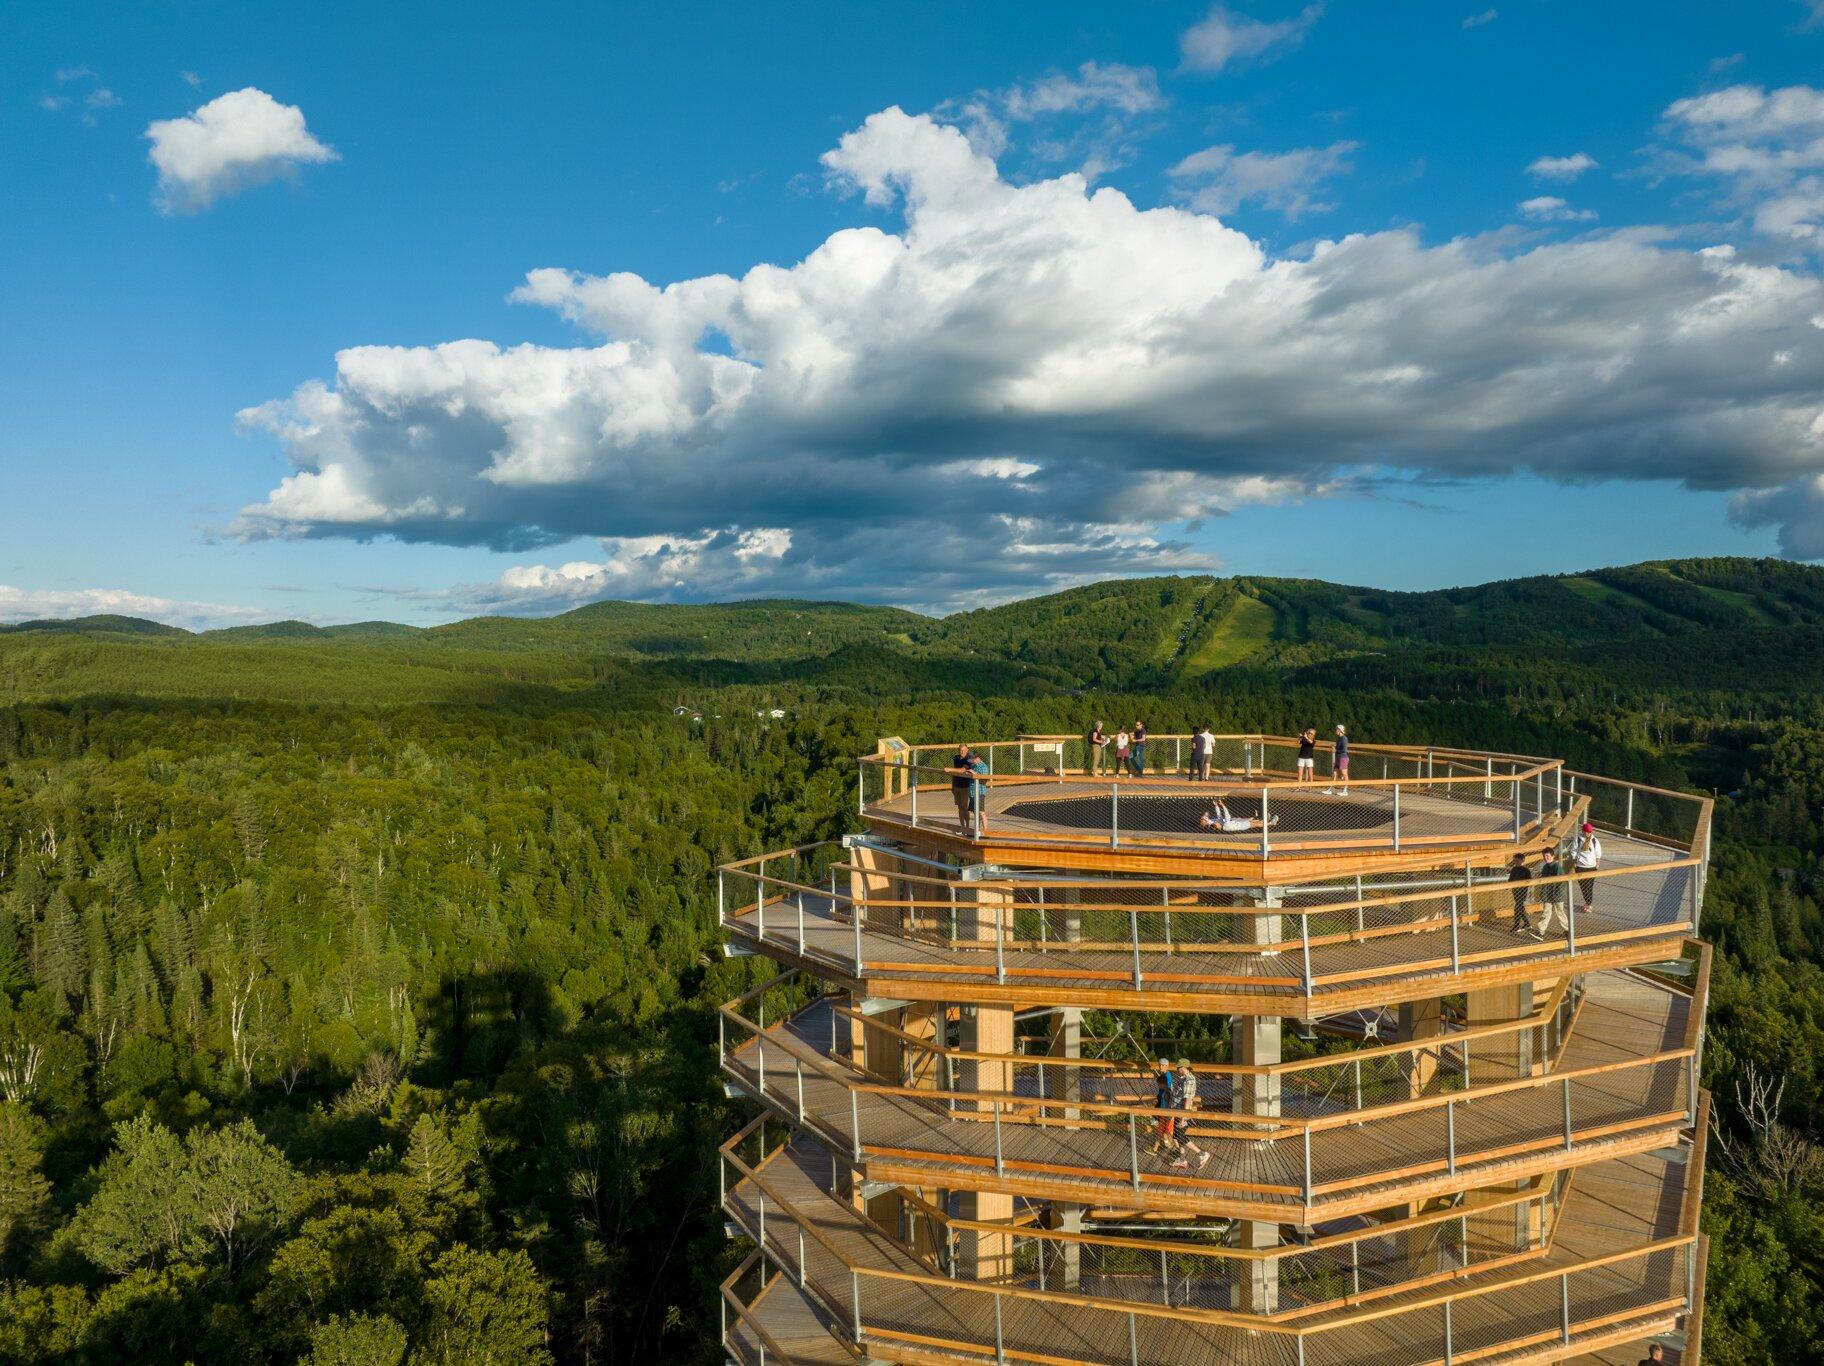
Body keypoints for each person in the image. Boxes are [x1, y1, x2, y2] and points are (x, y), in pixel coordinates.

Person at [1169, 1060, 1211, 1171]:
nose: (1177, 1069)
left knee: (1181, 1137)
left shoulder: (1189, 1080)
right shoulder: (1183, 1078)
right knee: (1176, 1136)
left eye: (1178, 1067)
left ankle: (1202, 1153)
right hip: (1177, 1111)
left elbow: (1187, 1100)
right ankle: (1182, 1160)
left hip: (1182, 1112)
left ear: (1183, 1067)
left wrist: (1183, 1118)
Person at [1148, 1057, 1179, 1159]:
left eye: (1163, 1065)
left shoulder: (1166, 1077)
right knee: (1161, 1131)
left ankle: (1176, 1152)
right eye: (1160, 1065)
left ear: (1167, 1066)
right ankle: (1155, 1149)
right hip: (1163, 1107)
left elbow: (1166, 1091)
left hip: (1167, 1109)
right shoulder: (1164, 1076)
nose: (1160, 1067)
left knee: (1168, 1133)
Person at [1535, 845, 1568, 937]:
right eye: (1544, 856)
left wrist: (1556, 895)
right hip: (1547, 894)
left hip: (1557, 895)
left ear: (1553, 856)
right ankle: (1541, 931)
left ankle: (1567, 930)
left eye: (1548, 856)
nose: (1546, 858)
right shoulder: (1545, 867)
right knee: (1546, 912)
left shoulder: (1557, 867)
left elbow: (1560, 883)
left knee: (1560, 912)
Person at [1200, 796, 1276, 833]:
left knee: (1257, 822)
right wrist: (1223, 805)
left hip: (1239, 823)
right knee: (1257, 824)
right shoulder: (1225, 825)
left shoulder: (1221, 824)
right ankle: (1271, 823)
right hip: (1242, 825)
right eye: (1216, 823)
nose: (1216, 822)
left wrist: (1216, 805)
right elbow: (1227, 816)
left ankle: (1266, 820)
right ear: (1218, 826)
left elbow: (1219, 816)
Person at [1572, 821, 1603, 910]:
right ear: (1583, 831)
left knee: (1589, 886)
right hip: (1580, 867)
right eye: (1587, 832)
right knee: (1583, 886)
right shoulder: (1578, 839)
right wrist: (1574, 861)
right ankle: (1588, 902)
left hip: (1592, 867)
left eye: (1590, 832)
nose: (1588, 833)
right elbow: (1573, 851)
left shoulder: (1594, 840)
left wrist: (1597, 862)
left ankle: (1588, 903)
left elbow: (1598, 852)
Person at [947, 744, 977, 829]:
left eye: (964, 750)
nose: (962, 752)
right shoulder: (956, 758)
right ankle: (962, 826)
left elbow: (963, 770)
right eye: (960, 750)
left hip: (965, 786)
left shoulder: (969, 758)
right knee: (959, 808)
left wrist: (949, 769)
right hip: (957, 785)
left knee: (965, 808)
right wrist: (952, 786)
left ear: (967, 749)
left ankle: (967, 826)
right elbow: (954, 773)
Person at [1507, 850, 1534, 933]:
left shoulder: (1526, 870)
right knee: (1520, 907)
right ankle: (1527, 923)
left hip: (1522, 891)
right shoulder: (1514, 869)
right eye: (1514, 861)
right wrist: (1508, 886)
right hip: (1515, 891)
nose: (1515, 862)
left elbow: (1529, 880)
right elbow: (1510, 879)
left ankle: (1516, 925)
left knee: (1517, 907)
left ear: (1522, 861)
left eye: (1517, 861)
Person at [1324, 724, 1350, 795]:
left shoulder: (1344, 738)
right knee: (1334, 773)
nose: (1336, 730)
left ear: (1340, 730)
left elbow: (1344, 750)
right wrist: (1336, 747)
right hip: (1339, 757)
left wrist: (1335, 750)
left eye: (1336, 729)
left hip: (1343, 758)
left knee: (1344, 774)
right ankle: (1330, 789)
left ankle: (1345, 790)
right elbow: (1340, 747)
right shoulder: (1339, 738)